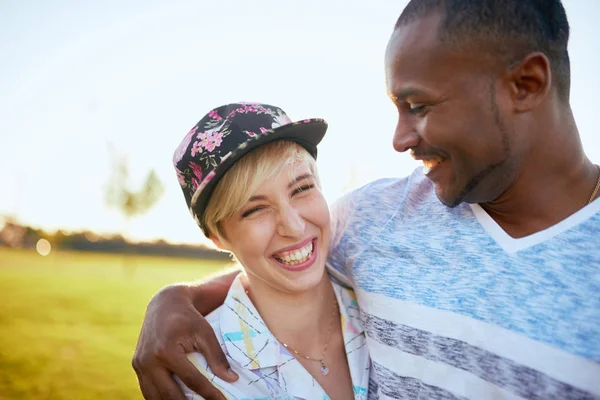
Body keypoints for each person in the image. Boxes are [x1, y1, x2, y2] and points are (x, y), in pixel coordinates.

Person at [133, 1, 600, 399]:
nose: (398, 140)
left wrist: (179, 297)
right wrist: (175, 298)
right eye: (397, 109)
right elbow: (279, 259)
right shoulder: (374, 216)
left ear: (527, 84)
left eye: (417, 106)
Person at [164, 102, 369, 400]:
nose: (294, 227)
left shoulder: (381, 301)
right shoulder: (201, 378)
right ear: (217, 236)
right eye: (255, 209)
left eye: (301, 189)